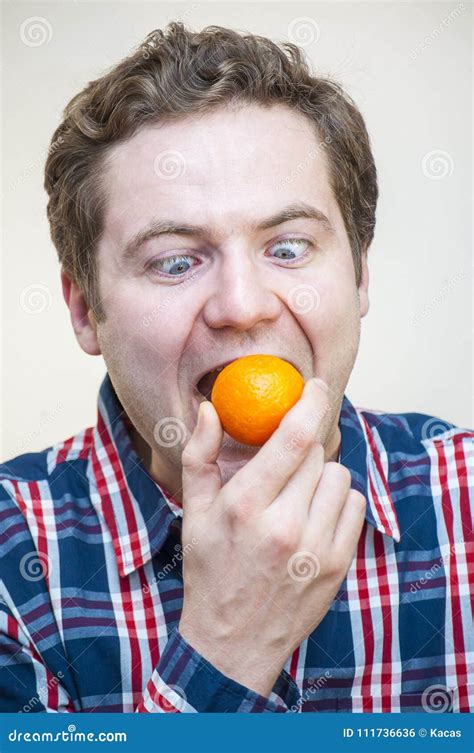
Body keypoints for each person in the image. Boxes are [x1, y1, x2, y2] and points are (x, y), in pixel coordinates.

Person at [0, 22, 472, 714]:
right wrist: (228, 648)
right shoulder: (14, 568)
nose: (242, 307)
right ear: (83, 309)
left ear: (360, 275)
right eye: (174, 261)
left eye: (287, 247)